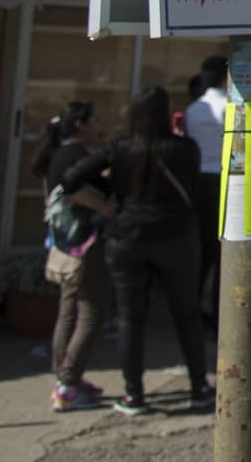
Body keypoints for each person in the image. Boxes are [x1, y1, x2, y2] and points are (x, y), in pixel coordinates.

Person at [61, 87, 212, 417]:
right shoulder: (186, 148)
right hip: (177, 237)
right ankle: (200, 388)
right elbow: (194, 186)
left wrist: (108, 195)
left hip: (127, 236)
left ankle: (134, 395)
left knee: (131, 317)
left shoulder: (120, 148)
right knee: (187, 314)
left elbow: (70, 178)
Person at [38, 102, 114, 411]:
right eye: (96, 119)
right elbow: (73, 189)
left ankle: (65, 379)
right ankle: (68, 384)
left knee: (69, 310)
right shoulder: (78, 156)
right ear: (80, 125)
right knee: (92, 311)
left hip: (64, 244)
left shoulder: (60, 153)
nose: (100, 125)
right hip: (86, 244)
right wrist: (103, 206)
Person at [181, 56, 228, 324]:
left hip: (199, 181)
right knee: (223, 249)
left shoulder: (193, 109)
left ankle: (195, 307)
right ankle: (221, 311)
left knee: (203, 249)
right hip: (222, 179)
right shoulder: (228, 106)